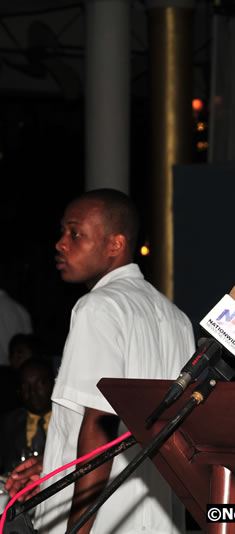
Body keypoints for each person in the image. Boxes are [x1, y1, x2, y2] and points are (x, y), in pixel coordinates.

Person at [6, 189, 194, 534]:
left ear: (115, 244)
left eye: (75, 233)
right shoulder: (176, 317)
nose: (61, 244)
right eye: (62, 232)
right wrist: (54, 466)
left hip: (104, 521)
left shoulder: (98, 308)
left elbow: (100, 423)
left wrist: (78, 530)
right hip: (158, 518)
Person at [1, 358, 55, 474]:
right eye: (26, 386)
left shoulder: (70, 420)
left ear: (54, 383)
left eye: (40, 383)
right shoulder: (9, 423)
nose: (33, 391)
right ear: (19, 391)